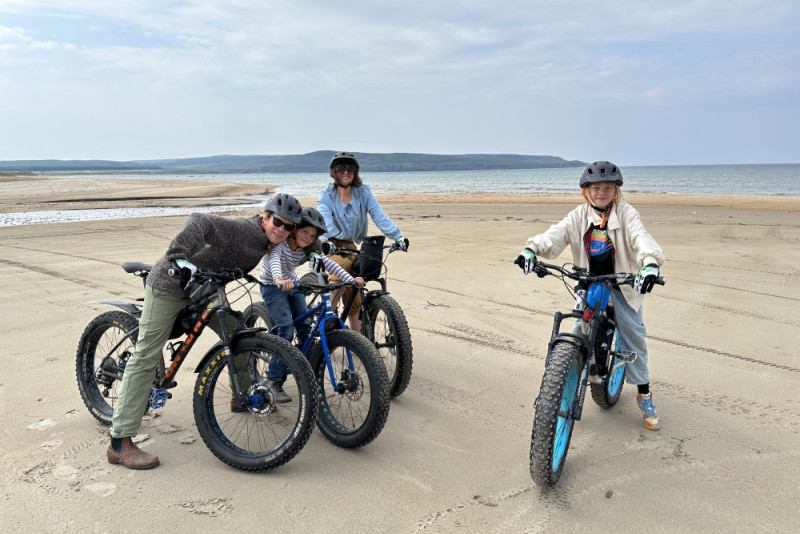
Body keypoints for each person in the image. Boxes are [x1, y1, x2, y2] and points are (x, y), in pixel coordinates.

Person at [106, 193, 303, 469]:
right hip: (170, 286)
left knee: (238, 333)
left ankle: (242, 395)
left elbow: (306, 240)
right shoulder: (245, 230)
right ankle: (119, 443)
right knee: (146, 355)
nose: (281, 229)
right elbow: (200, 220)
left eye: (288, 226)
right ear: (266, 217)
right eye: (277, 222)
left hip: (204, 292)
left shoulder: (273, 241)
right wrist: (179, 257)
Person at [515, 161, 665, 431]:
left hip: (622, 284)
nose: (601, 192)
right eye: (596, 188)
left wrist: (650, 264)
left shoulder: (626, 214)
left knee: (634, 338)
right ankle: (560, 389)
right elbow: (555, 234)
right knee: (576, 331)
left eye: (608, 188)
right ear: (586, 191)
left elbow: (641, 238)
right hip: (589, 282)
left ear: (616, 190)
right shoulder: (579, 215)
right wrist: (531, 250)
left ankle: (644, 395)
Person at [258, 206, 364, 402]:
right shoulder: (281, 245)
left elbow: (329, 264)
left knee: (306, 326)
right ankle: (273, 380)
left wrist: (350, 278)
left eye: (312, 235)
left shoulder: (308, 248)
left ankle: (303, 368)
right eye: (305, 232)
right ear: (296, 229)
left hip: (293, 284)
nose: (308, 237)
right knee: (286, 330)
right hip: (272, 285)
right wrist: (279, 279)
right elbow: (273, 261)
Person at [317, 151, 408, 331]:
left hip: (350, 245)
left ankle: (358, 342)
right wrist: (325, 240)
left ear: (355, 171)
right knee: (342, 266)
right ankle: (328, 315)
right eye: (340, 168)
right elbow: (324, 220)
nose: (345, 171)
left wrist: (397, 236)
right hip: (330, 245)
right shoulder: (326, 195)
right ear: (333, 171)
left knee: (356, 286)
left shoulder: (363, 192)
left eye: (350, 168)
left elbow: (379, 215)